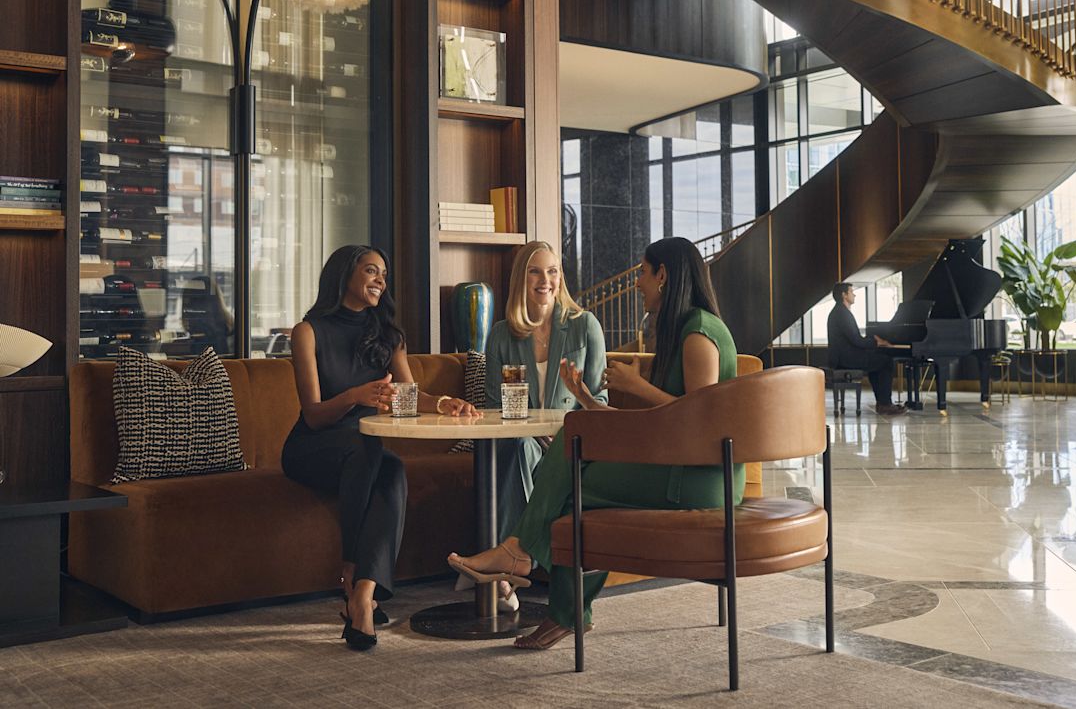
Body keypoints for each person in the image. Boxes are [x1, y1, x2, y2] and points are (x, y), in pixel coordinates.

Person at [448, 236, 740, 650]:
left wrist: (636, 386)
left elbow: (697, 418)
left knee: (572, 473)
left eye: (642, 273)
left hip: (698, 481)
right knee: (574, 468)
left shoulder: (699, 332)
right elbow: (665, 422)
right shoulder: (685, 329)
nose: (637, 282)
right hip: (680, 470)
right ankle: (556, 603)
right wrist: (586, 399)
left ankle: (526, 563)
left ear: (663, 275)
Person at [282, 245, 476, 652]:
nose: (380, 281)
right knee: (367, 448)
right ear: (345, 274)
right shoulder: (308, 332)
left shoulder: (389, 335)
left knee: (392, 469)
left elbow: (409, 394)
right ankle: (352, 572)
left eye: (384, 275)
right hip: (312, 449)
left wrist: (445, 403)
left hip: (362, 452)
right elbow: (314, 415)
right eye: (371, 271)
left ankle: (362, 595)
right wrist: (355, 396)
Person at [474, 241, 607, 610]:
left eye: (552, 271)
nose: (545, 280)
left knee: (517, 453)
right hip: (521, 439)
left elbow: (600, 401)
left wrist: (568, 419)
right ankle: (513, 560)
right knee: (516, 448)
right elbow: (492, 406)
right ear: (521, 278)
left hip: (570, 442)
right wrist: (531, 431)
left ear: (560, 278)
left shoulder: (584, 326)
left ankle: (507, 563)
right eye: (535, 271)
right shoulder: (501, 334)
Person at [826, 282, 905, 415]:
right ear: (844, 295)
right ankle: (885, 404)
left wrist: (873, 343)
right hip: (846, 359)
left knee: (876, 362)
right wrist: (877, 343)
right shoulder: (842, 314)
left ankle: (882, 403)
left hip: (843, 357)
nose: (854, 295)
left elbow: (855, 339)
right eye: (851, 292)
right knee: (886, 362)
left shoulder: (839, 312)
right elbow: (857, 341)